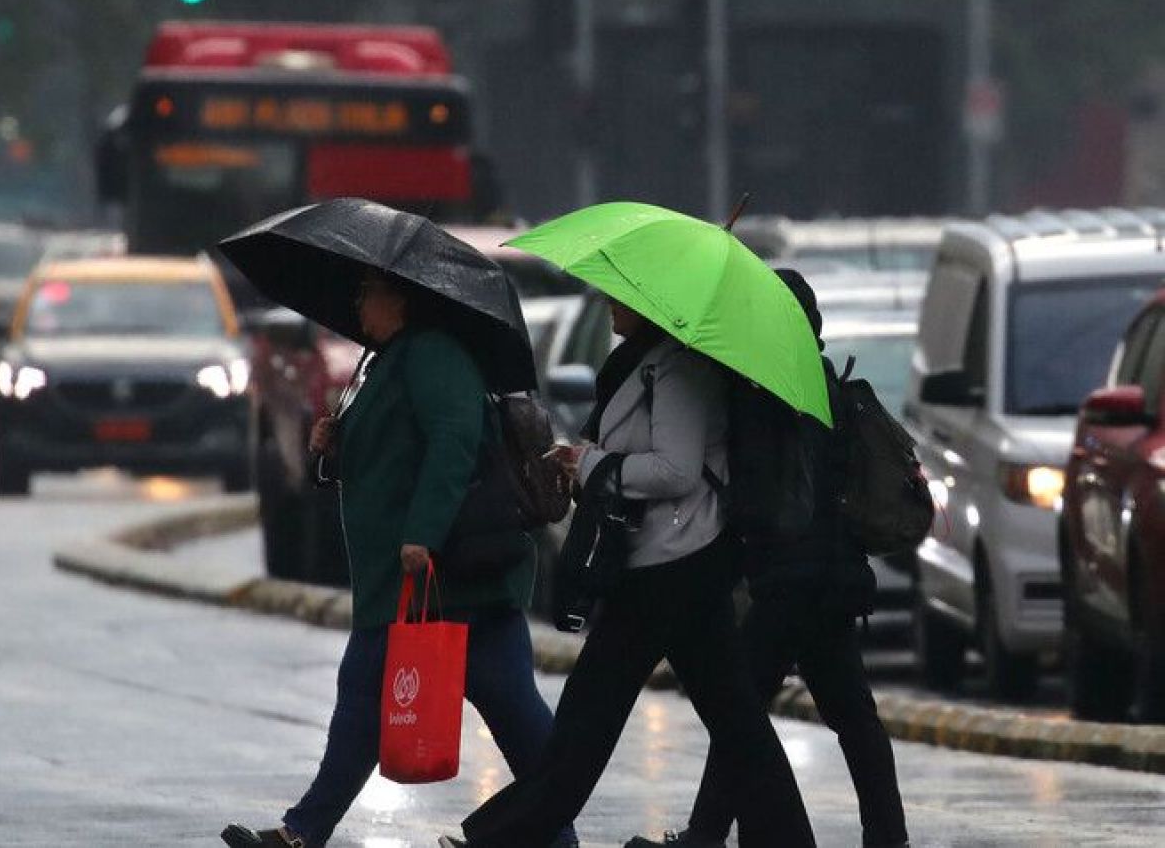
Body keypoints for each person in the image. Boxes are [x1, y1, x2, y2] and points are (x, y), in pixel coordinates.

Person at [443, 297, 816, 848]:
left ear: (650, 304)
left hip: (668, 567)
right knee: (735, 722)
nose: (610, 304)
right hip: (674, 563)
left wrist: (591, 465)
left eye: (621, 297)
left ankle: (502, 839)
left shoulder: (678, 369)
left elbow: (676, 469)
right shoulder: (646, 363)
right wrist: (587, 461)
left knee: (588, 720)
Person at [222, 273, 574, 848]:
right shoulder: (388, 359)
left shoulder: (434, 356)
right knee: (497, 713)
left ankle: (303, 831)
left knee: (487, 712)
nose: (359, 303)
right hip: (421, 581)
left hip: (443, 573)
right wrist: (333, 446)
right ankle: (304, 830)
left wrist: (423, 534)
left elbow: (454, 441)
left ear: (401, 300)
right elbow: (390, 450)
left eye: (369, 293)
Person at [631, 271, 908, 848]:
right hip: (831, 575)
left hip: (788, 580)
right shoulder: (822, 382)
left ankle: (706, 834)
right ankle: (888, 837)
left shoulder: (765, 393)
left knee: (741, 711)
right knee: (851, 717)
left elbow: (759, 494)